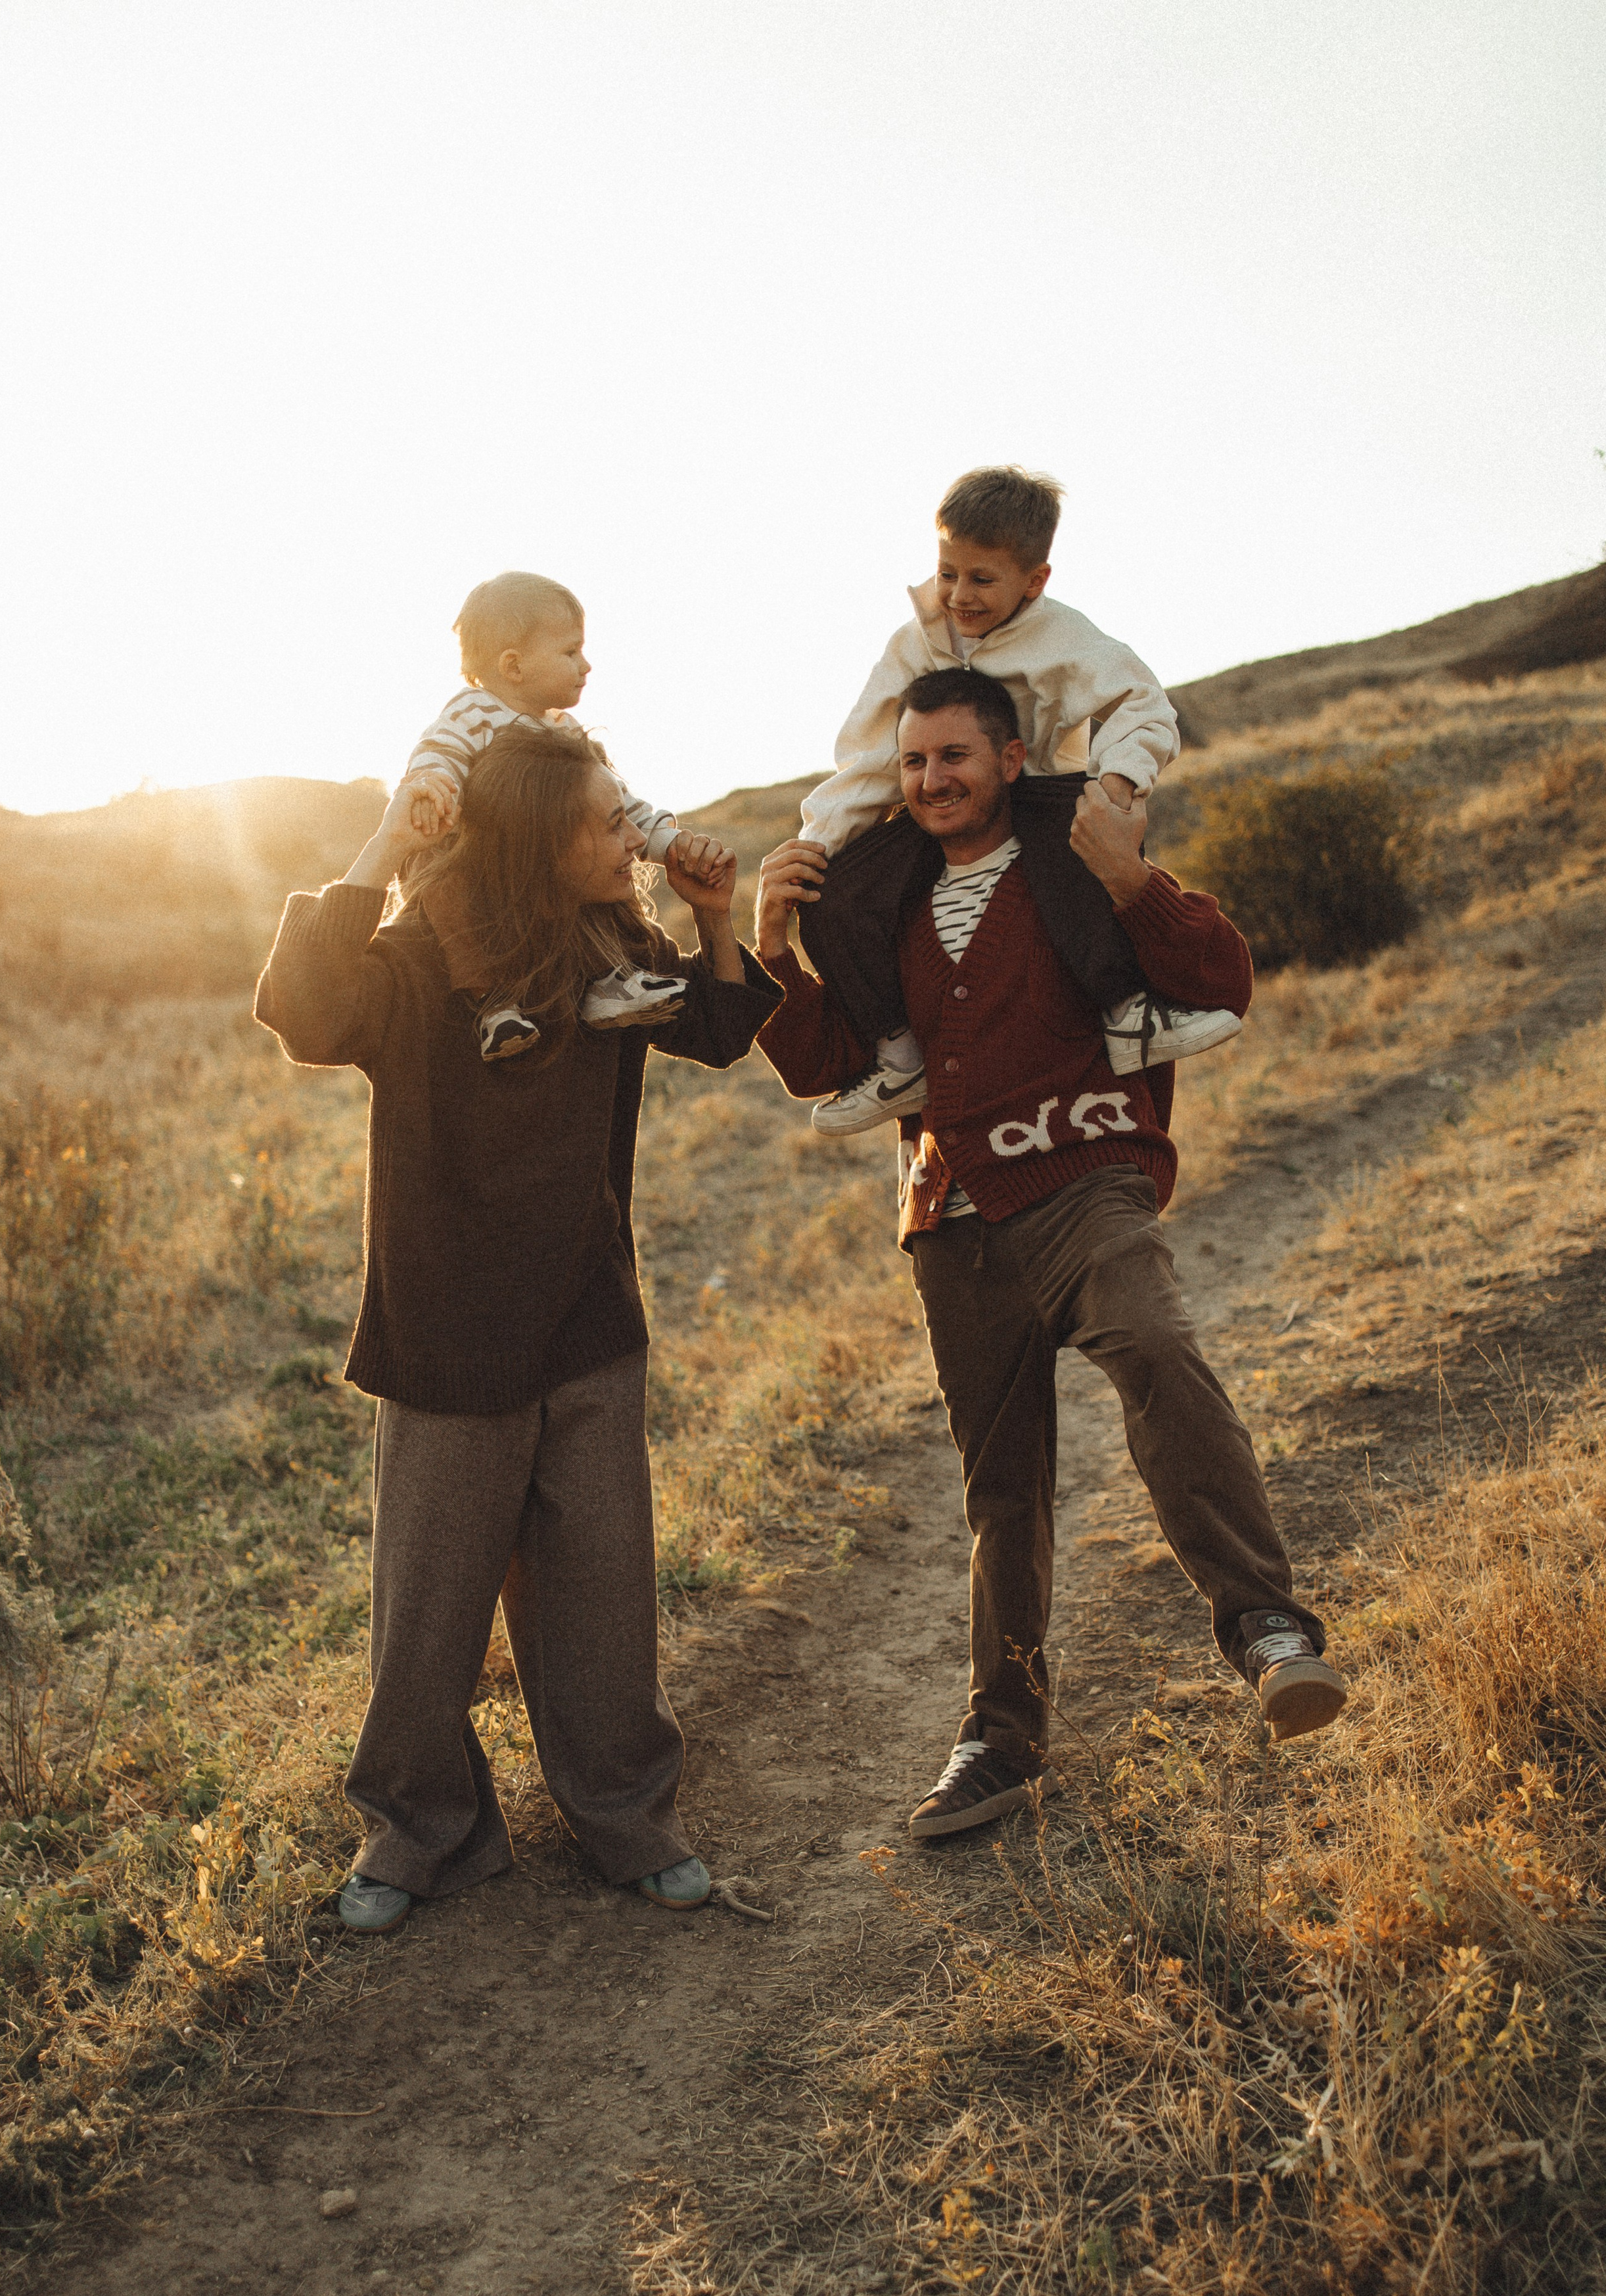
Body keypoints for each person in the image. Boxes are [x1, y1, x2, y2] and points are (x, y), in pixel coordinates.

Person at [754, 675, 1343, 1839]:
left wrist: (1132, 879)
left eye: (955, 756)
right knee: (1001, 1488)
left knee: (1157, 1347)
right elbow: (827, 1067)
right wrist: (772, 946)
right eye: (914, 762)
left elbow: (1220, 979)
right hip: (953, 1220)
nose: (932, 780)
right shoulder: (888, 901)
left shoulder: (1078, 865)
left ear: (1012, 758)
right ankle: (1001, 1737)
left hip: (1086, 1182)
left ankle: (1268, 1630)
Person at [254, 720, 780, 1929]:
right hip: (446, 1335)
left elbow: (716, 1031)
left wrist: (713, 919)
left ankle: (628, 1817)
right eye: (606, 819)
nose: (630, 835)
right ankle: (418, 1833)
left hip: (588, 1318)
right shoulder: (419, 956)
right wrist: (387, 844)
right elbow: (307, 1013)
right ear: (539, 839)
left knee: (602, 1593)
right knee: (428, 1614)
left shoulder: (612, 940)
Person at [794, 466, 1240, 1137]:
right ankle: (899, 1055)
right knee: (833, 893)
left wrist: (1117, 785)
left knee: (1082, 836)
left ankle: (1127, 1012)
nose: (958, 595)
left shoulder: (1064, 637)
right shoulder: (913, 644)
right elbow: (872, 757)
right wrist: (818, 844)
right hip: (944, 803)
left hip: (1039, 794)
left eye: (982, 579)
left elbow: (1144, 706)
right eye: (947, 573)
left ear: (1034, 581)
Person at [401, 570, 697, 1050]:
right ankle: (494, 1005)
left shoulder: (564, 730)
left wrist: (664, 841)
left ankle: (611, 979)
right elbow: (438, 754)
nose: (586, 665)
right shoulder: (473, 713)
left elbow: (614, 802)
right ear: (513, 666)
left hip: (541, 866)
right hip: (480, 866)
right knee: (446, 887)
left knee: (595, 864)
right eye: (570, 652)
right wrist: (433, 785)